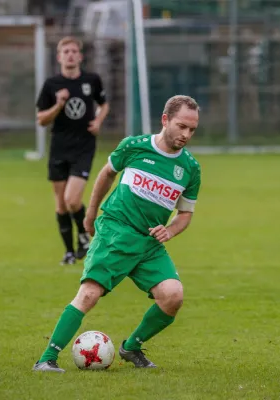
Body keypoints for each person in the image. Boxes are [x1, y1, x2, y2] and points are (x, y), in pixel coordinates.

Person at [33, 95, 202, 372]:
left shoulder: (190, 168)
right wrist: (90, 214)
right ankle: (46, 359)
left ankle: (131, 347)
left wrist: (169, 231)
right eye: (181, 126)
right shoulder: (134, 146)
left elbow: (185, 215)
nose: (186, 134)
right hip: (116, 230)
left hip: (149, 243)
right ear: (165, 120)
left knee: (173, 296)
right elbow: (106, 174)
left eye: (192, 130)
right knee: (89, 294)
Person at [36, 36, 110, 265]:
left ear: (80, 56)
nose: (69, 55)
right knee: (61, 203)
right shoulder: (51, 85)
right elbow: (41, 119)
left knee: (72, 199)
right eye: (65, 51)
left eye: (73, 51)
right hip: (59, 147)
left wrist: (98, 121)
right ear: (59, 57)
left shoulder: (92, 80)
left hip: (83, 147)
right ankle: (70, 251)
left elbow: (104, 104)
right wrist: (58, 104)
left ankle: (84, 237)